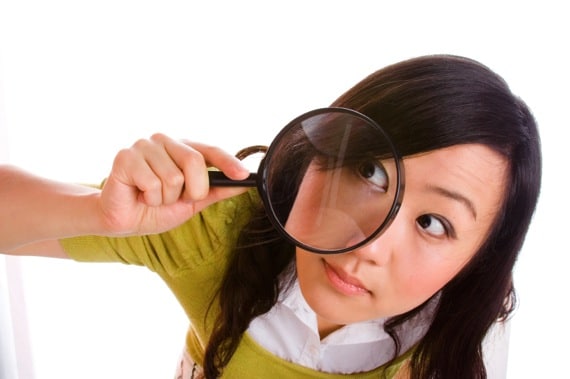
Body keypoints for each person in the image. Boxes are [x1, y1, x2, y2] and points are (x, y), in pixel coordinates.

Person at [0, 54, 541, 378]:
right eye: (371, 171)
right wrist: (95, 213)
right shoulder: (220, 227)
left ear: (475, 263)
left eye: (432, 223)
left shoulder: (466, 334)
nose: (368, 247)